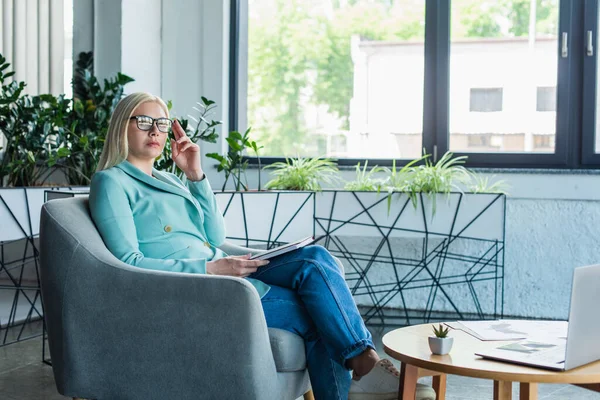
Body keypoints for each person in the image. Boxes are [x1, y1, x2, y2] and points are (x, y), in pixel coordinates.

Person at [89, 92, 436, 400]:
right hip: (197, 288)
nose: (155, 131)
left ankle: (365, 362)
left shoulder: (168, 178)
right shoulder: (111, 181)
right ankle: (365, 365)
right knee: (317, 316)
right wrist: (210, 269)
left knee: (315, 258)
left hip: (225, 271)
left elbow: (213, 234)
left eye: (162, 123)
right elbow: (128, 261)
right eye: (145, 121)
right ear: (123, 125)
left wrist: (195, 177)